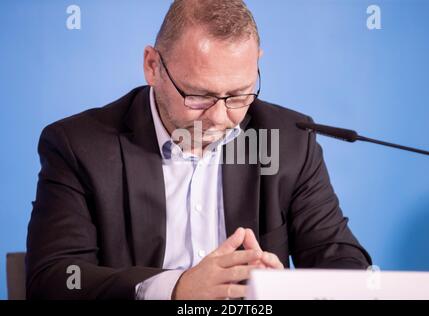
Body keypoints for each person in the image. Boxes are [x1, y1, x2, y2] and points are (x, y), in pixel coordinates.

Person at [26, 0, 371, 300]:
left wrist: (286, 291)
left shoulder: (290, 141)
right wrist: (177, 289)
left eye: (239, 95)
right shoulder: (79, 146)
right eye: (199, 96)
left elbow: (346, 265)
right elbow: (55, 280)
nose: (221, 118)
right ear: (152, 66)